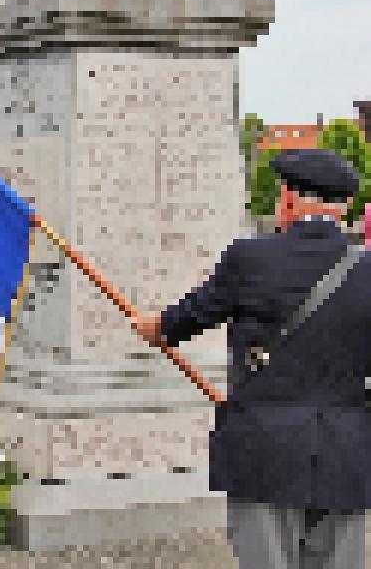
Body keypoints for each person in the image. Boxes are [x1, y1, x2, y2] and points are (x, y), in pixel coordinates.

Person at [135, 148, 370, 568]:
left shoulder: (251, 258)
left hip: (266, 452)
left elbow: (191, 315)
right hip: (345, 456)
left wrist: (155, 329)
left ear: (291, 199)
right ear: (342, 207)